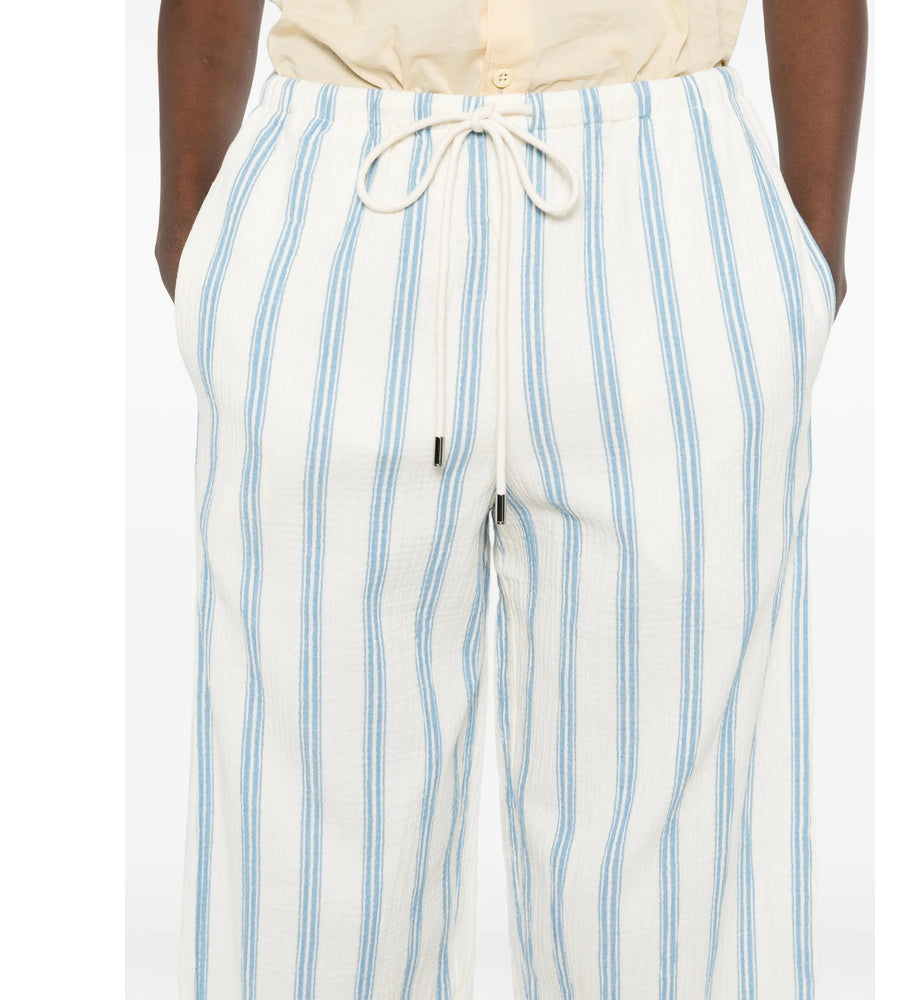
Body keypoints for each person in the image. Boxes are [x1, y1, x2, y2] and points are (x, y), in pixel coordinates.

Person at [154, 0, 866, 996]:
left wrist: (810, 253)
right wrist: (195, 232)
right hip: (348, 182)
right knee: (306, 887)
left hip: (658, 195)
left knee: (668, 904)